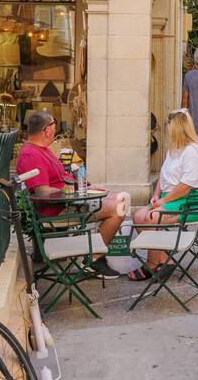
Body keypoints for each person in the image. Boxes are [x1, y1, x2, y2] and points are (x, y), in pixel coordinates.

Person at [17, 109, 126, 280]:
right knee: (119, 208)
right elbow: (42, 191)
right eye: (54, 126)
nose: (55, 130)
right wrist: (76, 191)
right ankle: (94, 260)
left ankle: (96, 252)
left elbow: (58, 180)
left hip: (67, 203)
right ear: (47, 130)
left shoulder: (41, 149)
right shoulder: (31, 154)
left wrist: (82, 186)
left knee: (118, 197)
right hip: (57, 211)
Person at [128, 109, 198, 282]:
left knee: (152, 217)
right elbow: (163, 174)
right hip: (173, 198)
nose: (166, 130)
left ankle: (152, 264)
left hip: (196, 201)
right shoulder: (174, 148)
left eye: (169, 126)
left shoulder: (193, 151)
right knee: (138, 216)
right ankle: (164, 260)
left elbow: (186, 186)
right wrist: (156, 194)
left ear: (177, 129)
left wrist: (164, 200)